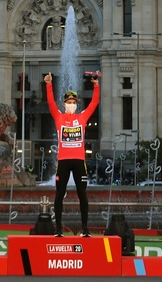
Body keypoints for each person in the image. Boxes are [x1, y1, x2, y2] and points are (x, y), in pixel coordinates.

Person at [44, 71, 100, 237]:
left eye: (73, 102)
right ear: (64, 104)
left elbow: (94, 103)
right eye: (68, 102)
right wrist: (48, 84)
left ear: (76, 104)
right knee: (59, 194)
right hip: (63, 161)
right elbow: (50, 102)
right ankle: (59, 229)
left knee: (82, 194)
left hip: (79, 161)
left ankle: (84, 229)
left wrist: (96, 86)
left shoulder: (82, 117)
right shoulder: (59, 117)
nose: (71, 104)